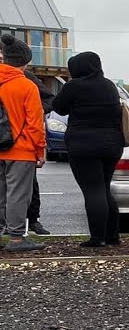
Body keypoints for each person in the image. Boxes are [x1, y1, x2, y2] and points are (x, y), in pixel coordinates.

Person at [52, 52, 125, 248]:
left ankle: (97, 237)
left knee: (93, 190)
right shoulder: (109, 85)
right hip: (112, 144)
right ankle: (113, 236)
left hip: (83, 144)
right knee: (104, 188)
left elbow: (58, 108)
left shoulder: (74, 86)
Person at [0, 33, 47, 252]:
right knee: (17, 195)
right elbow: (35, 124)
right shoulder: (27, 86)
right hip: (21, 149)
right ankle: (17, 238)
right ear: (25, 61)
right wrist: (40, 150)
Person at [22, 67, 55, 235]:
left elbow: (49, 99)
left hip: (22, 141)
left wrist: (37, 109)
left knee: (29, 184)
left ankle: (33, 220)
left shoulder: (26, 76)